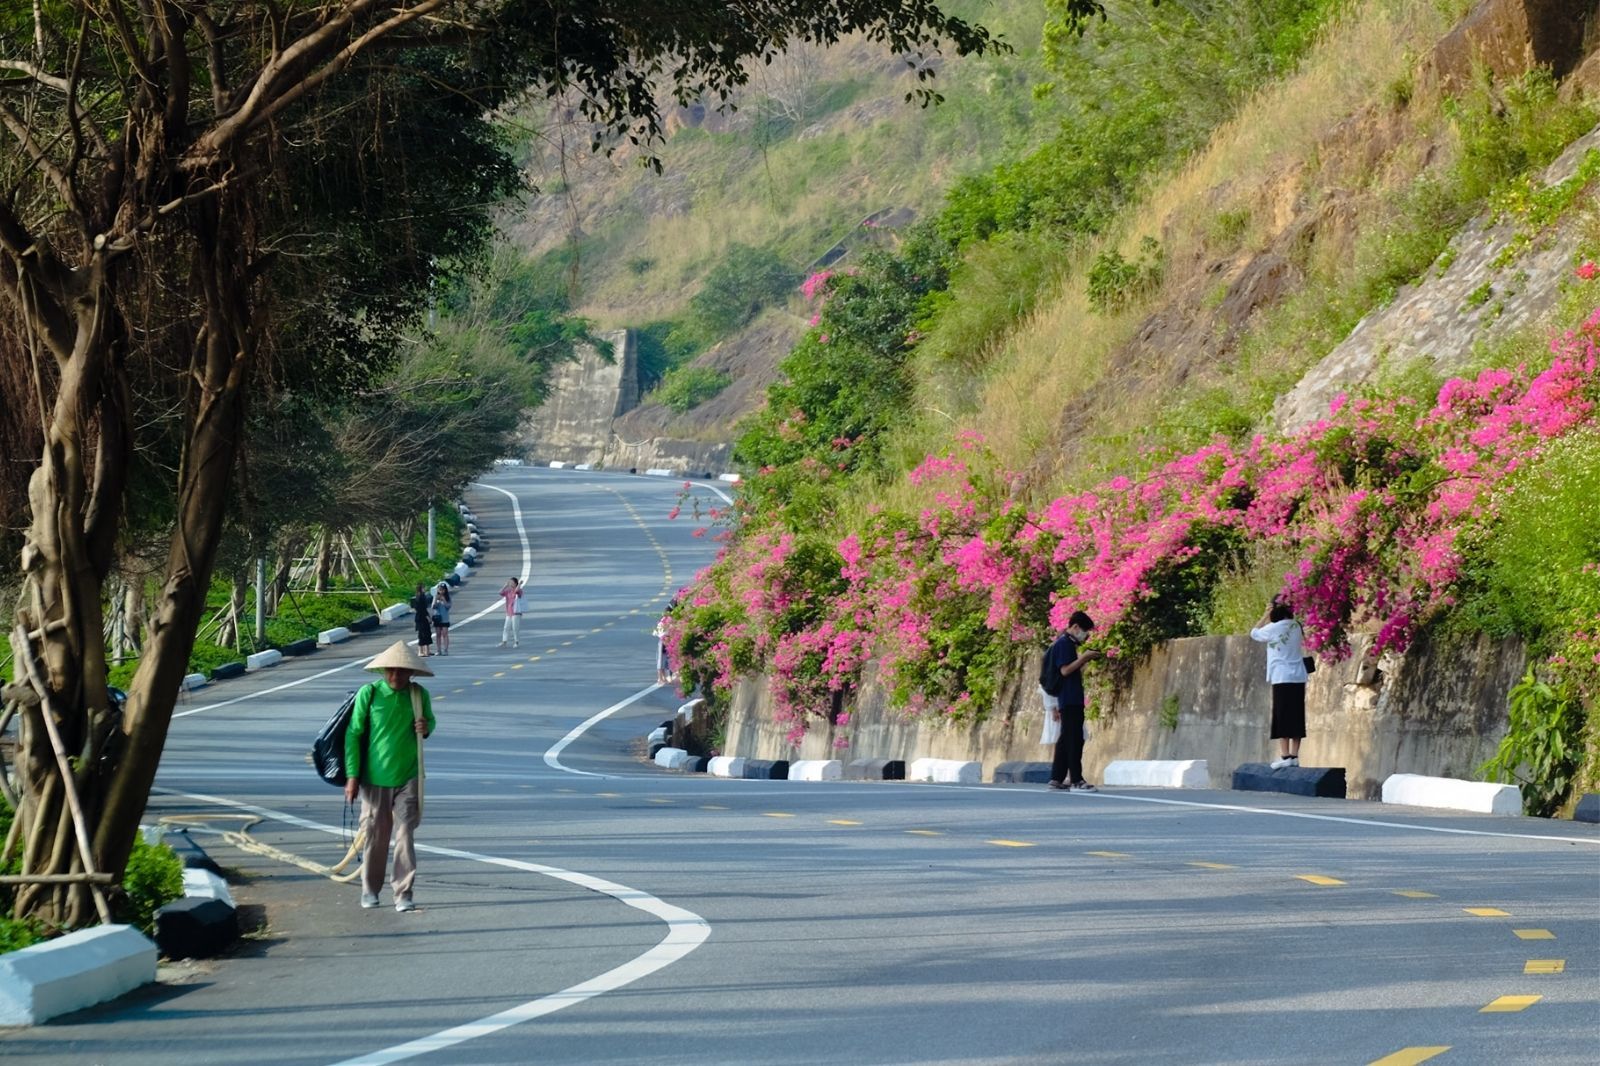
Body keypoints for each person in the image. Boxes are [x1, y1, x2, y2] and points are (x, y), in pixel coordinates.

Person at [345, 641, 436, 912]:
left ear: (411, 673)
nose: (395, 676)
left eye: (402, 671)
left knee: (405, 833)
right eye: (391, 670)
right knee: (375, 835)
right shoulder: (370, 693)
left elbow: (430, 721)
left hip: (409, 776)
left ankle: (403, 893)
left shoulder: (418, 695)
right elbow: (353, 734)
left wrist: (426, 726)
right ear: (383, 671)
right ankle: (370, 890)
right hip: (374, 778)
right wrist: (352, 776)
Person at [1041, 610, 1101, 792]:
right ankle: (1076, 780)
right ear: (1075, 627)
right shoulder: (1065, 644)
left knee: (1066, 738)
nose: (1086, 635)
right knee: (1074, 739)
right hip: (1070, 698)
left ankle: (1056, 778)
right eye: (1085, 631)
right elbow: (1065, 670)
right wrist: (1084, 658)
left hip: (1068, 698)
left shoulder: (1064, 643)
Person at [1250, 600, 1310, 769]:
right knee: (1297, 715)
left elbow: (1254, 633)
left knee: (1282, 716)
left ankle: (1285, 755)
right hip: (1298, 676)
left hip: (1282, 676)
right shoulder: (1296, 626)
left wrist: (1265, 615)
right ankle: (1294, 756)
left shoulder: (1273, 628)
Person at [409, 581, 433, 657]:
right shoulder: (420, 597)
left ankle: (427, 650)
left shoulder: (421, 596)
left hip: (422, 617)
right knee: (422, 634)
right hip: (421, 618)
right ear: (420, 589)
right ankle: (421, 651)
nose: (425, 589)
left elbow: (424, 609)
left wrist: (428, 616)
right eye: (423, 587)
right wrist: (427, 617)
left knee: (427, 633)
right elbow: (421, 609)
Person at [498, 576, 522, 648]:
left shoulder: (519, 591)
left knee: (515, 628)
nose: (510, 584)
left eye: (512, 582)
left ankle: (516, 642)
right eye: (510, 582)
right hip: (509, 612)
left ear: (515, 583)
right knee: (506, 627)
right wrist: (505, 585)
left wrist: (519, 584)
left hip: (516, 612)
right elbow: (500, 592)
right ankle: (504, 641)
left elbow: (516, 591)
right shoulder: (508, 591)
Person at [430, 581, 452, 656]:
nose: (441, 591)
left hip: (445, 618)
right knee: (438, 634)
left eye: (443, 590)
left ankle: (445, 649)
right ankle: (438, 650)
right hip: (437, 618)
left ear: (445, 590)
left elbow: (448, 606)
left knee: (445, 634)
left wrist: (444, 600)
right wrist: (436, 600)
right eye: (440, 590)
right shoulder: (435, 596)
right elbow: (433, 606)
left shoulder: (447, 597)